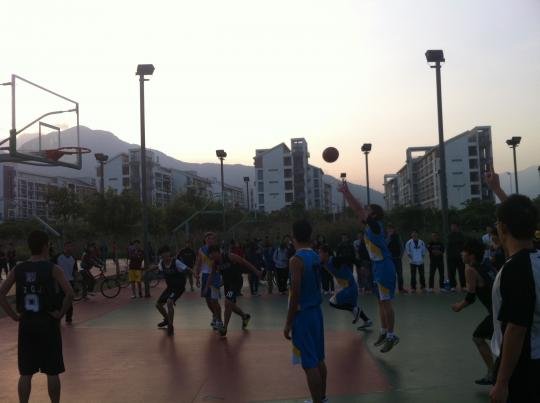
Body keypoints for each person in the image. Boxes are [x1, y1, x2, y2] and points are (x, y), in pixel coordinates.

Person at [483, 166, 540, 403]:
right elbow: (520, 218)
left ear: (503, 228)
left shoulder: (515, 270)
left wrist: (502, 381)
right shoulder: (535, 258)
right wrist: (497, 189)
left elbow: (516, 329)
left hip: (522, 367)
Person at [0, 230, 74, 403]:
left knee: (25, 372)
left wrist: (14, 316)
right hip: (48, 322)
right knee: (52, 371)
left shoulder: (18, 269)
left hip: (27, 323)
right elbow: (70, 293)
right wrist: (60, 314)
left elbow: (1, 293)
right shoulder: (53, 268)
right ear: (45, 246)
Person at [339, 181, 399, 353]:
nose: (364, 211)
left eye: (368, 209)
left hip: (384, 266)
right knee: (381, 302)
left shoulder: (376, 226)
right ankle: (384, 331)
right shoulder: (369, 226)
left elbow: (359, 209)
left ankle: (392, 335)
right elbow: (358, 210)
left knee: (386, 303)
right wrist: (346, 194)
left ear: (373, 214)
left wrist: (347, 193)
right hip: (377, 266)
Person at [283, 219, 327, 403]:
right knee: (319, 359)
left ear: (293, 236)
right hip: (316, 312)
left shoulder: (296, 260)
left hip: (303, 315)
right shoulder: (315, 256)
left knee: (309, 364)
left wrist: (288, 322)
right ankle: (322, 398)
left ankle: (317, 401)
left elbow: (295, 293)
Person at [451, 239, 497, 385]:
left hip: (498, 313)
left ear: (471, 255)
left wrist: (459, 306)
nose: (461, 253)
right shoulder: (487, 264)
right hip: (503, 309)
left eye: (464, 251)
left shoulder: (470, 270)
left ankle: (493, 374)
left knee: (478, 338)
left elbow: (471, 297)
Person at [208, 244, 262, 337]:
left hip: (236, 282)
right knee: (231, 305)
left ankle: (224, 328)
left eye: (211, 254)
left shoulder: (230, 256)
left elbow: (244, 262)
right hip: (227, 284)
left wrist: (256, 271)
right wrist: (208, 286)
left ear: (217, 252)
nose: (211, 256)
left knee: (228, 302)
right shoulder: (215, 263)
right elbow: (212, 275)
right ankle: (245, 316)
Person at [319, 244, 372, 329]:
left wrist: (359, 266)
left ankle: (356, 311)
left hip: (350, 289)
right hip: (349, 288)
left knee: (332, 302)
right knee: (352, 307)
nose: (319, 255)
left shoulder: (335, 260)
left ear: (326, 253)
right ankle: (367, 320)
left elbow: (350, 258)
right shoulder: (323, 263)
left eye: (320, 252)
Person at [155, 245, 190, 336]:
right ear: (161, 256)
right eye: (163, 255)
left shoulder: (176, 262)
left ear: (169, 254)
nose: (166, 257)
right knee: (158, 305)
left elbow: (187, 268)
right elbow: (157, 267)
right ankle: (167, 319)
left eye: (167, 254)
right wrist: (147, 270)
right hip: (170, 288)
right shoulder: (161, 263)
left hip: (178, 287)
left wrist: (196, 276)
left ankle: (170, 326)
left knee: (169, 302)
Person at [194, 232, 221, 329]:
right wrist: (197, 276)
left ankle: (219, 320)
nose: (210, 240)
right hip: (205, 276)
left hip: (215, 276)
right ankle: (215, 315)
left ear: (214, 240)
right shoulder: (201, 250)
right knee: (208, 299)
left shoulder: (217, 249)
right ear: (205, 239)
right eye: (208, 238)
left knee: (214, 300)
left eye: (212, 238)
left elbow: (220, 262)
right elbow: (199, 263)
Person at [52, 241, 78, 324]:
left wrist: (75, 283)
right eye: (68, 246)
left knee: (69, 301)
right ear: (64, 247)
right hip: (59, 281)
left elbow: (75, 271)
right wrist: (55, 283)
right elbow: (52, 269)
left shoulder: (73, 258)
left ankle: (68, 318)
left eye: (71, 246)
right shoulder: (58, 257)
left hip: (70, 281)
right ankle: (57, 317)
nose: (69, 248)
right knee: (59, 300)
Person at [447, 223, 466, 291]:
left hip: (460, 257)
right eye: (451, 226)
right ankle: (453, 286)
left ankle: (463, 286)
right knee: (451, 272)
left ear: (457, 227)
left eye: (454, 226)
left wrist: (463, 255)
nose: (452, 228)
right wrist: (448, 256)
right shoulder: (449, 235)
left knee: (462, 272)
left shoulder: (461, 235)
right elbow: (448, 247)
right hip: (451, 258)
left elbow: (464, 246)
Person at [386, 226, 405, 293]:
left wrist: (401, 255)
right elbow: (385, 245)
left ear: (394, 229)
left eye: (391, 229)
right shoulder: (386, 237)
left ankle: (401, 288)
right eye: (388, 229)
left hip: (398, 258)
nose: (390, 230)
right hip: (390, 259)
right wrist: (389, 237)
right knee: (391, 275)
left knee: (400, 274)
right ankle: (391, 288)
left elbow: (401, 246)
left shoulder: (398, 236)